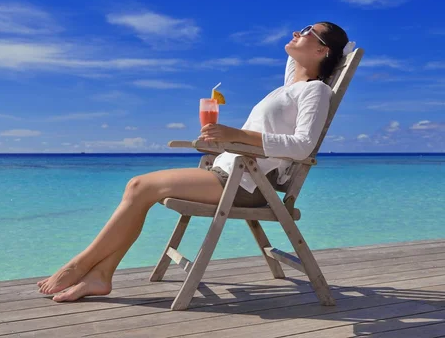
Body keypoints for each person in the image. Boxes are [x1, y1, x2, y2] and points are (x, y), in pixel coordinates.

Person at [37, 21, 351, 302]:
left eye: (307, 31)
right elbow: (294, 67)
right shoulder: (288, 88)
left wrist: (236, 134)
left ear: (323, 50)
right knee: (138, 191)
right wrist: (222, 142)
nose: (297, 32)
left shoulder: (316, 91)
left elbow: (302, 147)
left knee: (139, 186)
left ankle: (79, 265)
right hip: (229, 172)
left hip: (248, 184)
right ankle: (100, 276)